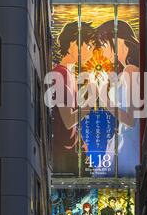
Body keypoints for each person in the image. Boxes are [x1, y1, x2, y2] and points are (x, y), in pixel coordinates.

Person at [94, 20, 140, 176]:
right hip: (124, 138)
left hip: (129, 142)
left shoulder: (131, 70)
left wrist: (104, 97)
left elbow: (130, 119)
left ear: (117, 40)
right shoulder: (125, 71)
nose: (104, 52)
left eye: (105, 45)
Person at [51, 22, 95, 175]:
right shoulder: (61, 75)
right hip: (64, 158)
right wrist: (89, 104)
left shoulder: (68, 74)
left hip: (71, 154)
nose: (91, 52)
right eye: (88, 46)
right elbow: (67, 120)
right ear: (73, 44)